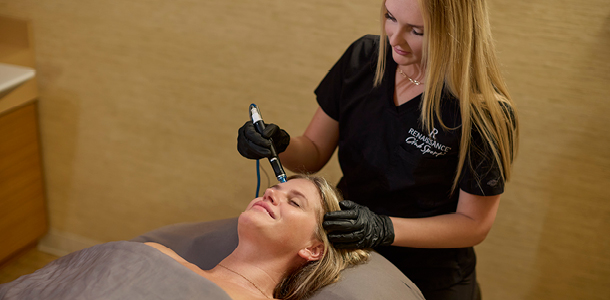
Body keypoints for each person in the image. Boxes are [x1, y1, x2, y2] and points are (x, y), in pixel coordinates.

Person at [236, 0, 519, 299]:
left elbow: (474, 225)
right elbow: (314, 152)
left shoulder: (482, 112)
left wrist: (384, 228)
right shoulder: (364, 59)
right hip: (351, 258)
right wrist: (279, 144)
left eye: (417, 31)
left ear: (456, 32)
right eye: (390, 17)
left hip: (431, 276)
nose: (394, 39)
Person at [146, 175, 370, 300]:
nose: (270, 193)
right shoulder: (156, 254)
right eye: (271, 190)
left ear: (313, 249)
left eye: (294, 202)